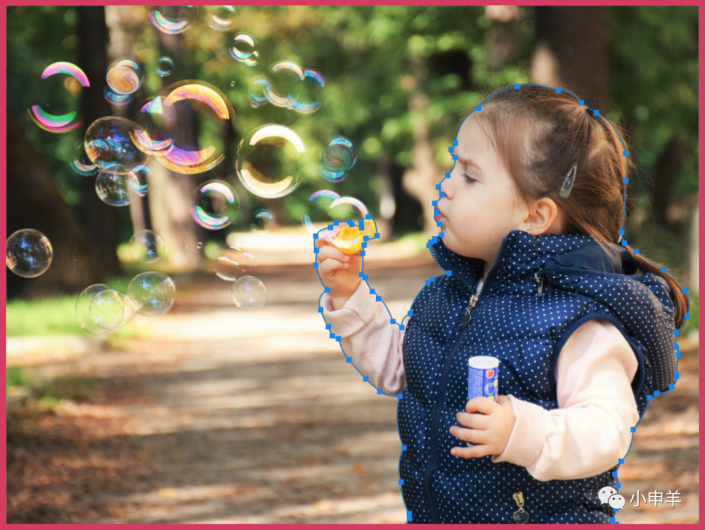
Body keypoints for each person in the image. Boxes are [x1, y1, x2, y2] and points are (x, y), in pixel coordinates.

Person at [314, 85, 687, 524]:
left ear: (535, 216)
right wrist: (348, 294)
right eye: (455, 166)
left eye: (470, 176)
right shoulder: (445, 296)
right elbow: (402, 367)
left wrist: (522, 431)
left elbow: (607, 429)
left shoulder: (577, 318)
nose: (446, 185)